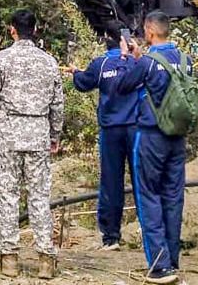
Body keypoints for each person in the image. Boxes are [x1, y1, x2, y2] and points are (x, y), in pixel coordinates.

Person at [0, 9, 64, 279]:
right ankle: (45, 260)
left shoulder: (1, 60)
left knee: (8, 195)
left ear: (12, 30)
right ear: (35, 30)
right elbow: (58, 103)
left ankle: (10, 258)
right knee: (39, 196)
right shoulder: (49, 62)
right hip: (37, 133)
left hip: (8, 135)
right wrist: (55, 135)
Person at [113, 11, 187, 284]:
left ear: (149, 31)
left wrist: (125, 59)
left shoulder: (146, 62)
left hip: (152, 136)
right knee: (173, 196)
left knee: (149, 197)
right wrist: (139, 59)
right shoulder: (183, 59)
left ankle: (159, 266)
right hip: (177, 138)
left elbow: (122, 86)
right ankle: (172, 259)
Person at [68, 35, 140, 251]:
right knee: (142, 180)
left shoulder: (101, 64)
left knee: (111, 182)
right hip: (136, 129)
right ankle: (149, 231)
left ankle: (111, 237)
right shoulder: (139, 62)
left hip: (111, 130)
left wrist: (75, 73)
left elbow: (83, 83)